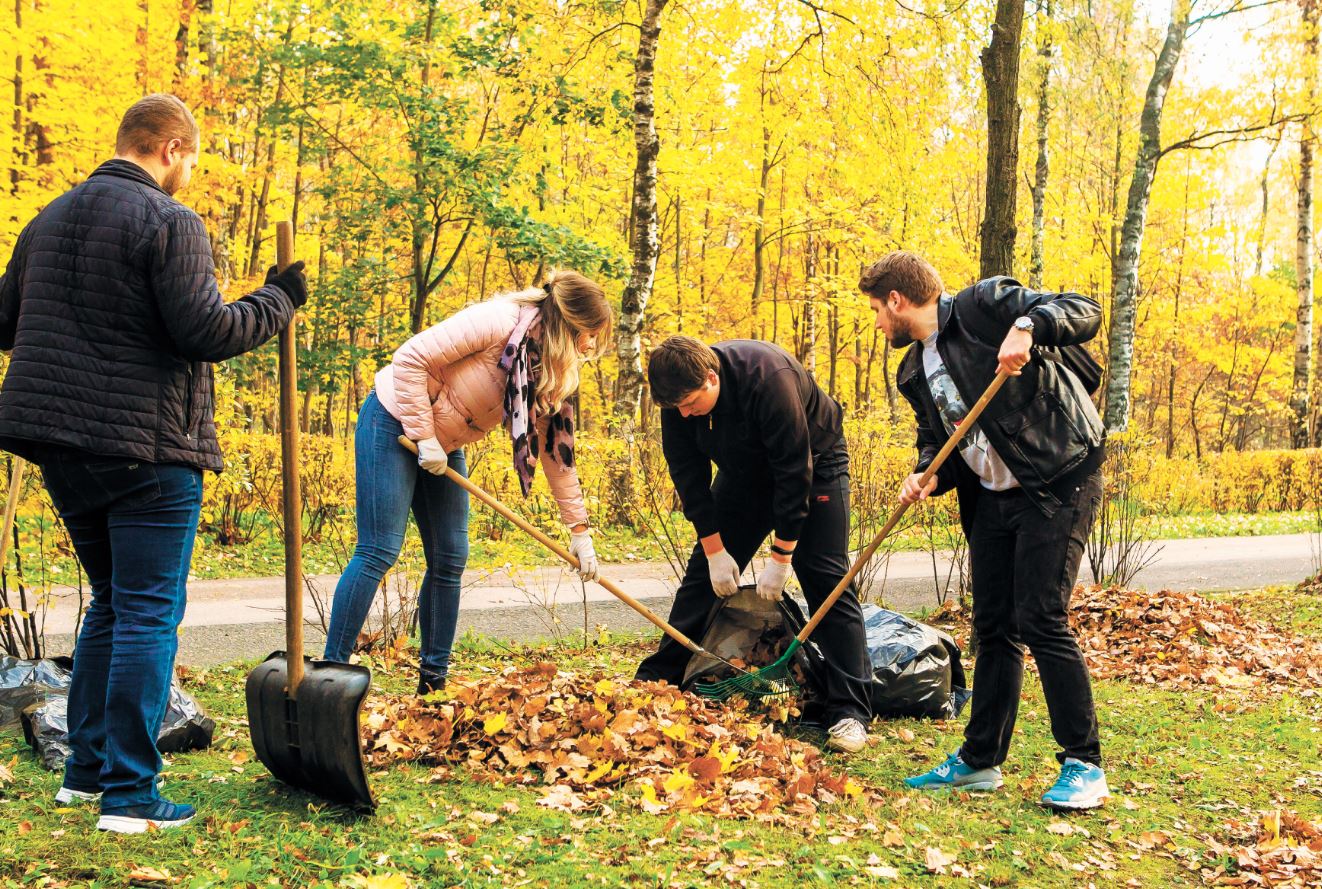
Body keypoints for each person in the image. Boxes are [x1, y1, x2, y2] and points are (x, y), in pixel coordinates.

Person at [0, 94, 307, 832]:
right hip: (148, 450)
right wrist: (278, 299)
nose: (190, 173)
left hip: (60, 447)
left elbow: (5, 323)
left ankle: (85, 770)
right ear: (169, 148)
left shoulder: (48, 219)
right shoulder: (169, 221)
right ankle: (132, 796)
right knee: (145, 609)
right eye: (191, 160)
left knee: (111, 600)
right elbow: (205, 329)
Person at [860, 250, 1108, 810]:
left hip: (1056, 477)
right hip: (992, 499)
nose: (878, 323)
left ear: (897, 301)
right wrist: (926, 472)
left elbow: (1084, 311)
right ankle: (979, 762)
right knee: (994, 627)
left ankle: (1084, 764)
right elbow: (940, 437)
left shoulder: (983, 306)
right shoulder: (912, 369)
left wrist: (1027, 326)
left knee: (1041, 618)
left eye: (878, 310)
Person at [322, 271, 611, 694]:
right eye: (588, 335)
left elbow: (558, 456)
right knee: (380, 548)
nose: (590, 346)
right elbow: (410, 358)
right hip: (392, 420)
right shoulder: (497, 322)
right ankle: (329, 673)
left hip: (441, 441)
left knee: (450, 556)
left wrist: (579, 531)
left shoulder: (551, 368)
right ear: (568, 324)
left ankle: (432, 684)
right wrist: (423, 436)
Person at [635, 336, 873, 753]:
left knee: (826, 580)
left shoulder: (768, 379)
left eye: (691, 403)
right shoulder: (677, 399)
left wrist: (781, 558)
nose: (685, 413)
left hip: (813, 466)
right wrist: (714, 549)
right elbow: (688, 477)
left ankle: (849, 711)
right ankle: (658, 680)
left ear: (711, 377)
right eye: (678, 409)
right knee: (699, 583)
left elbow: (794, 472)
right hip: (743, 475)